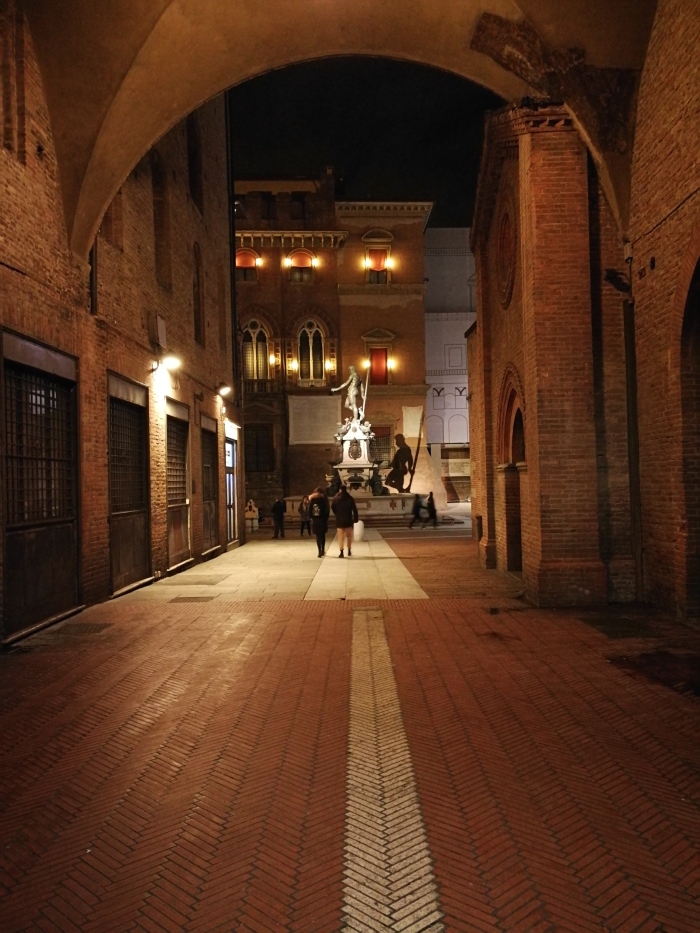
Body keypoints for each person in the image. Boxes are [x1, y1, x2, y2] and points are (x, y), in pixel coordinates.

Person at [331, 485, 358, 558]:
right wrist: (356, 519)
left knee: (340, 537)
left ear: (340, 490)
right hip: (348, 520)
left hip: (339, 520)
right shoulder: (350, 498)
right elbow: (354, 509)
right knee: (349, 536)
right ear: (346, 490)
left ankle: (341, 552)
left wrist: (337, 514)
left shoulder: (336, 498)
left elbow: (333, 507)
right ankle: (349, 549)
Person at [309, 487, 329, 557]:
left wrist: (312, 518)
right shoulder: (324, 500)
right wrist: (325, 519)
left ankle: (319, 551)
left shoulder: (312, 501)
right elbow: (327, 511)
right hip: (322, 520)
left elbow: (310, 512)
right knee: (322, 536)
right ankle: (323, 550)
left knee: (317, 536)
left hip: (315, 521)